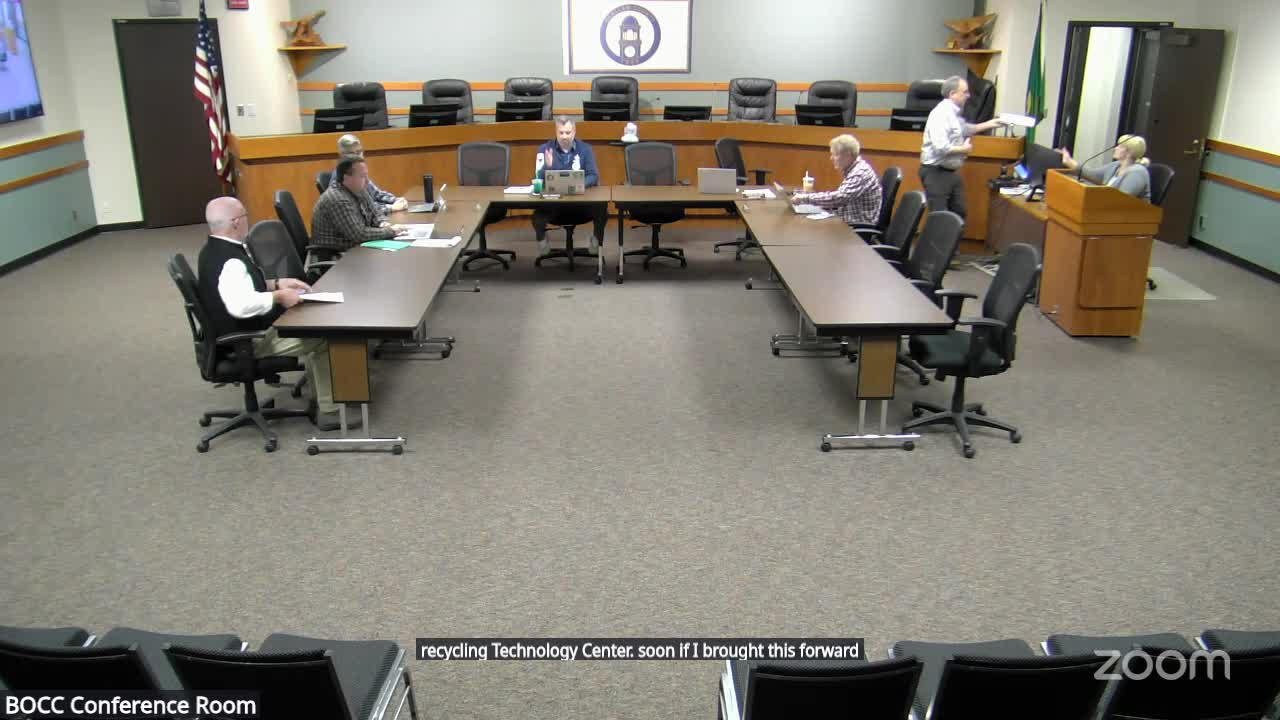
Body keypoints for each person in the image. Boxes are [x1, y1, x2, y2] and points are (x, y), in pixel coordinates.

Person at [196, 197, 356, 431]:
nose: (248, 220)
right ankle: (329, 412)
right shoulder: (232, 261)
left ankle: (323, 397)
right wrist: (278, 296)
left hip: (231, 336)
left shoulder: (211, 250)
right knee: (324, 337)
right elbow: (239, 306)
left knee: (312, 324)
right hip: (248, 341)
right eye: (245, 216)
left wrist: (277, 283)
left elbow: (240, 289)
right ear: (236, 222)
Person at [919, 75, 1008, 218]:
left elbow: (965, 129)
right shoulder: (941, 114)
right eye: (965, 92)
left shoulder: (953, 112)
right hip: (936, 172)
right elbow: (940, 147)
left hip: (949, 171)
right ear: (952, 94)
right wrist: (963, 149)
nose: (969, 96)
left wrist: (992, 123)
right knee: (940, 218)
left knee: (959, 213)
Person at [532, 116, 608, 257]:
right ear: (556, 132)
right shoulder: (545, 149)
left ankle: (596, 240)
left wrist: (576, 184)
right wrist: (547, 166)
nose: (564, 136)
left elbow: (593, 175)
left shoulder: (585, 149)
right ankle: (541, 240)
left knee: (602, 209)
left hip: (580, 202)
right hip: (555, 203)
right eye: (561, 132)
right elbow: (538, 179)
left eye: (568, 132)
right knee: (538, 216)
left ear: (574, 132)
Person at [785, 134, 882, 227]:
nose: (831, 158)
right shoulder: (855, 168)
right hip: (848, 220)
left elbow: (839, 198)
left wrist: (805, 198)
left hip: (856, 227)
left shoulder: (860, 173)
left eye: (835, 154)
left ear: (848, 155)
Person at [312, 157, 406, 251]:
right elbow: (359, 235)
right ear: (346, 178)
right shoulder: (337, 199)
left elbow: (375, 213)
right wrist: (391, 231)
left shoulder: (359, 189)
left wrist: (382, 223)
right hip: (334, 253)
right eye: (362, 176)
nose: (367, 181)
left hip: (355, 248)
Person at [1059, 134, 1152, 202]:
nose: (1115, 148)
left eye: (1120, 146)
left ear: (1129, 153)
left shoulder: (1137, 173)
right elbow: (1091, 174)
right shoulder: (1116, 166)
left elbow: (1122, 200)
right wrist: (1069, 161)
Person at [332, 134, 408, 212]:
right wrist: (391, 208)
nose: (357, 156)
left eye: (359, 152)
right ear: (342, 155)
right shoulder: (343, 177)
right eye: (351, 153)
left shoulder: (360, 171)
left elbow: (377, 194)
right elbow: (362, 207)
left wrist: (396, 200)